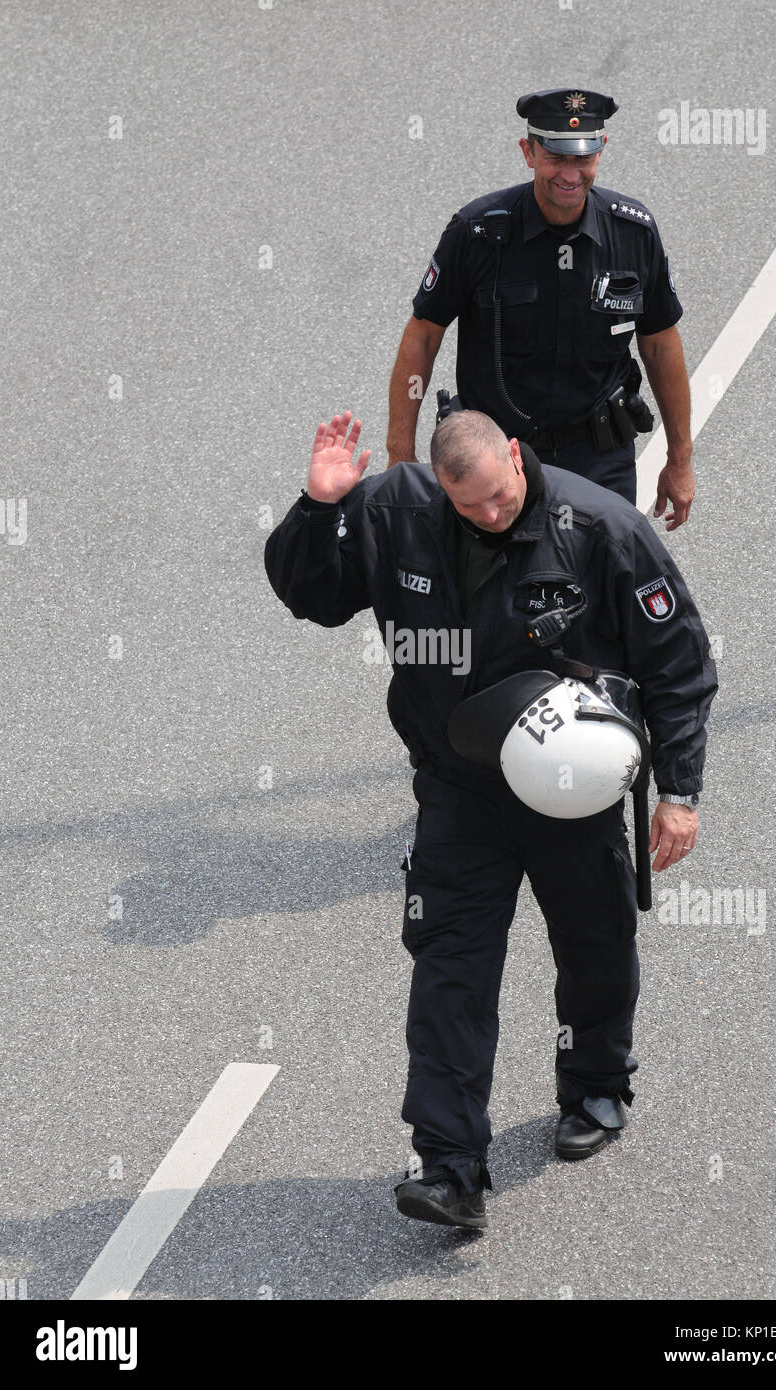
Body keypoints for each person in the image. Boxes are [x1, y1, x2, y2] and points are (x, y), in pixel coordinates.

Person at [264, 408, 717, 1230]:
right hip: (457, 791)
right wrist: (318, 507)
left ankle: (595, 1085)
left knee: (594, 943)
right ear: (440, 485)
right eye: (469, 507)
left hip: (570, 795)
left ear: (515, 455)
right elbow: (312, 599)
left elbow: (679, 663)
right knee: (449, 968)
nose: (490, 515)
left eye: (500, 499)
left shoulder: (600, 527)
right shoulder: (391, 513)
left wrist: (679, 794)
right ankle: (449, 1166)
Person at [386, 87, 694, 527]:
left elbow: (660, 345)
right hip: (493, 456)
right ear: (528, 152)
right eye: (556, 158)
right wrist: (401, 455)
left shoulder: (633, 233)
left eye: (582, 158)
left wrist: (679, 459)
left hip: (600, 458)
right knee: (492, 589)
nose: (571, 174)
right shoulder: (476, 233)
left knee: (605, 585)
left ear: (601, 152)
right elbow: (423, 335)